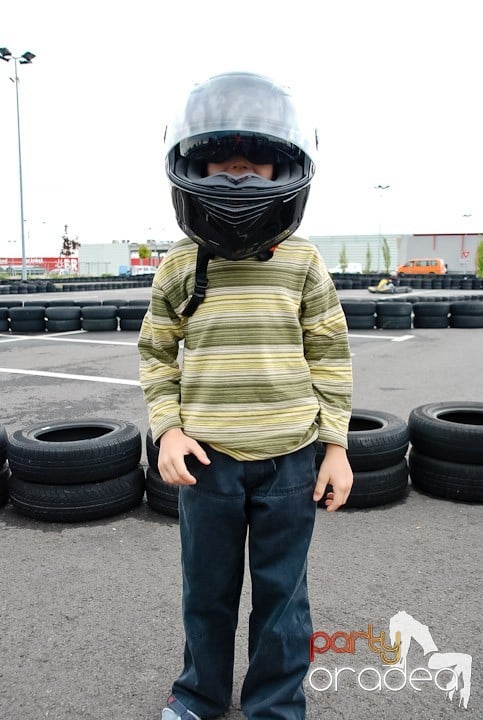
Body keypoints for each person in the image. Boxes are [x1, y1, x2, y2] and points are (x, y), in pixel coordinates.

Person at [138, 71, 353, 720]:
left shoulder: (303, 262)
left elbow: (329, 354)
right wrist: (167, 429)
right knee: (206, 592)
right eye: (220, 161)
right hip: (207, 463)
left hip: (290, 460)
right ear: (192, 165)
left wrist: (336, 446)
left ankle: (274, 707)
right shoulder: (179, 263)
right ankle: (198, 696)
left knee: (283, 596)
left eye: (255, 161)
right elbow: (155, 353)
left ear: (285, 167)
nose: (237, 175)